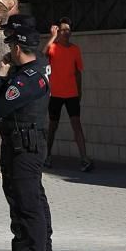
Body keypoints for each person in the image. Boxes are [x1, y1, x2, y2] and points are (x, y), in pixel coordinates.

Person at [0, 15, 56, 251]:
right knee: (19, 203)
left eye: (10, 44)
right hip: (17, 144)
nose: (8, 50)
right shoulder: (24, 72)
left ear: (17, 47)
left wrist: (3, 78)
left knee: (29, 206)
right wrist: (3, 75)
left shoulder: (31, 76)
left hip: (27, 146)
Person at [42, 17, 92, 172]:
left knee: (77, 125)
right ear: (58, 30)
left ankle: (84, 159)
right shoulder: (53, 47)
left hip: (72, 94)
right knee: (53, 126)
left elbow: (78, 73)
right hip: (55, 94)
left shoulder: (75, 49)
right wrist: (52, 36)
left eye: (68, 30)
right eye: (63, 29)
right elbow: (43, 54)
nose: (66, 33)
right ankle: (47, 156)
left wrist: (80, 91)